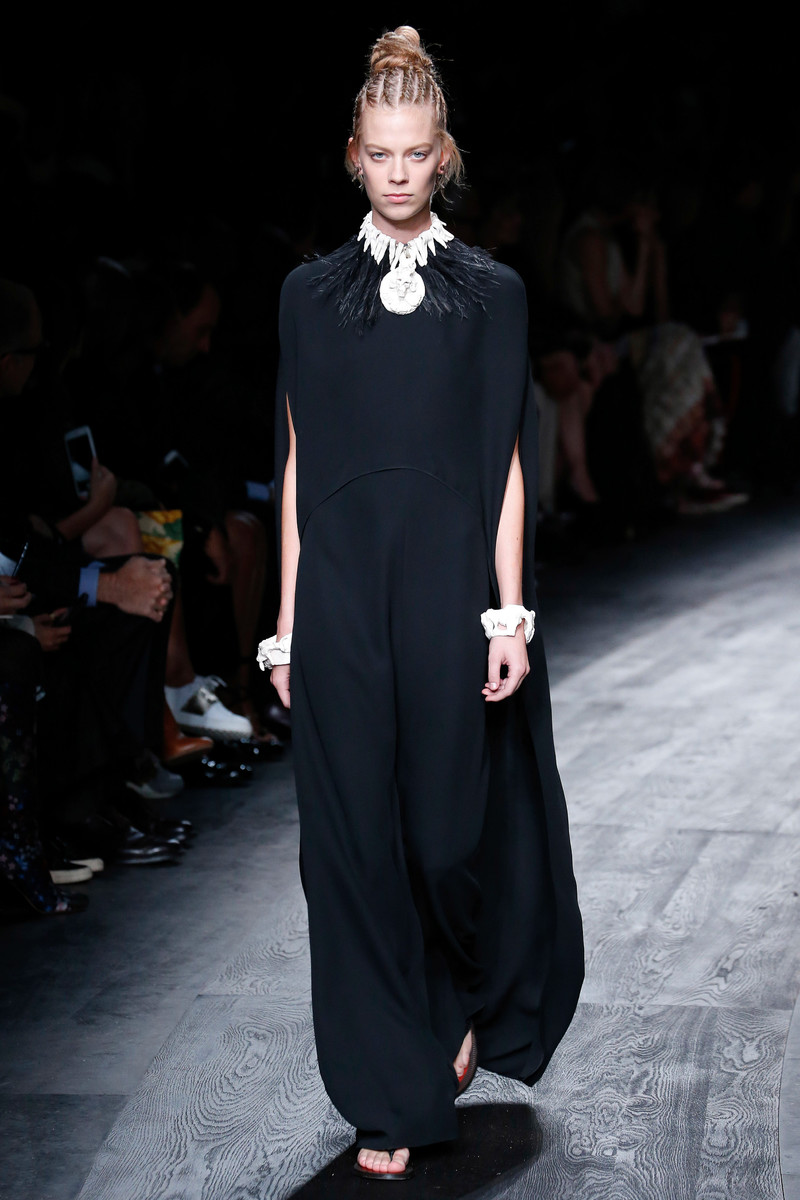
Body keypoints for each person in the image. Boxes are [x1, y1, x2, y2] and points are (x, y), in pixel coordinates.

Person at [257, 28, 583, 1180]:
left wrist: (509, 612)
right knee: (351, 850)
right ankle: (388, 1093)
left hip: (448, 593)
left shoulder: (490, 296)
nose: (397, 173)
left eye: (415, 154)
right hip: (341, 595)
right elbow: (296, 463)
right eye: (379, 154)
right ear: (353, 156)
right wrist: (283, 625)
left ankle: (455, 998)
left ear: (442, 156)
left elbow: (504, 461)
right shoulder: (306, 297)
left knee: (445, 841)